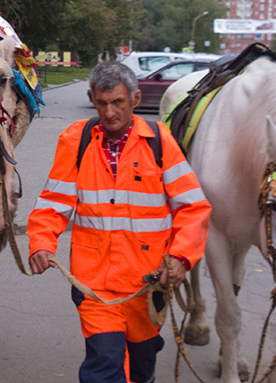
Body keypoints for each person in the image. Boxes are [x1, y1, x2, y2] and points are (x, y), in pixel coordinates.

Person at [27, 62, 212, 383]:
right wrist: (41, 243)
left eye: (118, 103)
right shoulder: (77, 140)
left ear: (136, 99)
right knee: (104, 366)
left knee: (142, 367)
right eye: (102, 103)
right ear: (92, 99)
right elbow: (52, 204)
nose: (109, 112)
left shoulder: (159, 142)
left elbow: (193, 207)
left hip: (147, 285)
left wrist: (181, 258)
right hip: (94, 286)